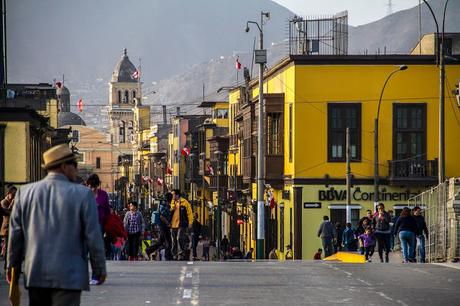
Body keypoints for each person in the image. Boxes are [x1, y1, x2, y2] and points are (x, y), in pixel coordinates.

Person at [7, 144, 106, 306]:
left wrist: (12, 269)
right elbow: (93, 236)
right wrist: (99, 268)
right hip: (70, 276)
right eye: (74, 164)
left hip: (36, 274)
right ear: (63, 167)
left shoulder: (24, 193)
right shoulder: (83, 195)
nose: (76, 169)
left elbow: (16, 236)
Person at [148, 193, 173, 260]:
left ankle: (148, 250)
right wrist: (168, 223)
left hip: (164, 225)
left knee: (160, 241)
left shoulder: (166, 204)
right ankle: (168, 256)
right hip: (163, 225)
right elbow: (162, 216)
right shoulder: (164, 205)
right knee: (168, 241)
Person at [170, 190, 193, 260]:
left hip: (181, 224)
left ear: (177, 195)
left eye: (173, 194)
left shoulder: (185, 202)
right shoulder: (172, 202)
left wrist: (190, 222)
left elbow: (189, 213)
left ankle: (181, 254)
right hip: (172, 225)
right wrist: (171, 208)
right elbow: (168, 211)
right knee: (173, 240)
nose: (172, 196)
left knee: (179, 238)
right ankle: (174, 255)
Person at [1, 185, 16, 268]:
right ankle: (7, 266)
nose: (14, 197)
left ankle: (13, 266)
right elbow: (7, 213)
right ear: (9, 194)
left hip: (14, 228)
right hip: (6, 229)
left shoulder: (13, 202)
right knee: (7, 250)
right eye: (13, 195)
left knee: (14, 249)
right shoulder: (4, 202)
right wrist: (12, 204)